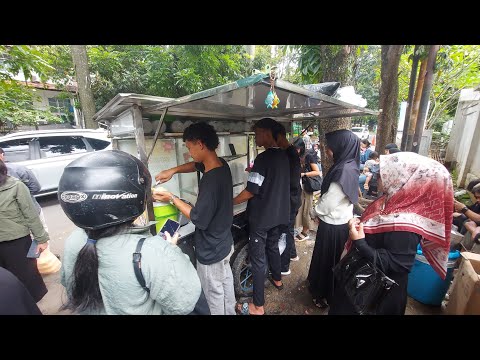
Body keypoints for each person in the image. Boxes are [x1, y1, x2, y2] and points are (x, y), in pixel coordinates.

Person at [58, 150, 202, 315]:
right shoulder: (152, 251)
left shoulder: (73, 240)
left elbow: (70, 287)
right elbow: (183, 304)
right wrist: (170, 249)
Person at [329, 152, 453, 315]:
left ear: (404, 179)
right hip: (362, 281)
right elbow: (376, 226)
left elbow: (399, 265)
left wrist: (359, 242)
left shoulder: (406, 223)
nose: (378, 177)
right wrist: (360, 223)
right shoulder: (392, 202)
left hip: (376, 295)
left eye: (384, 173)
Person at [153, 122, 235, 315]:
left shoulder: (211, 181)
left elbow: (199, 219)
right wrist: (172, 171)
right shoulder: (221, 164)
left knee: (213, 294)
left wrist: (171, 198)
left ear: (200, 144)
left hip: (211, 250)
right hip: (224, 242)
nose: (189, 152)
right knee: (226, 284)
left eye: (189, 147)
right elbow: (194, 165)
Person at [233, 118, 290, 315]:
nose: (256, 137)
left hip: (262, 218)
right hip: (278, 214)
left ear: (266, 133)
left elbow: (251, 191)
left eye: (257, 133)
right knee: (272, 246)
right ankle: (277, 279)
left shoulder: (263, 159)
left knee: (258, 260)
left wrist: (230, 201)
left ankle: (258, 306)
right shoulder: (283, 156)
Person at [307, 129, 360, 309]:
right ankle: (329, 292)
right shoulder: (350, 164)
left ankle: (322, 294)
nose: (327, 150)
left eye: (330, 147)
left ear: (340, 146)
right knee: (335, 261)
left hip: (332, 227)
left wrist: (314, 212)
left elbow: (328, 202)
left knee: (327, 262)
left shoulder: (343, 170)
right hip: (342, 222)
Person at [0, 160, 49, 303]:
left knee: (24, 279)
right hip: (14, 242)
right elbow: (30, 214)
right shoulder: (16, 185)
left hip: (17, 242)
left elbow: (30, 213)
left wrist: (41, 238)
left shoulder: (16, 186)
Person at [274, 123, 302, 275]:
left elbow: (291, 181)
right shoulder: (287, 152)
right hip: (292, 198)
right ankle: (293, 254)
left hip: (290, 201)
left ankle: (284, 267)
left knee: (285, 232)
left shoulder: (290, 154)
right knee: (288, 230)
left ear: (278, 137)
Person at [0, 147, 48, 231]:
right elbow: (35, 187)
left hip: (6, 222)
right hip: (29, 210)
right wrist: (22, 195)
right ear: (2, 156)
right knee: (40, 235)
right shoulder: (18, 169)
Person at [294, 138, 321, 242]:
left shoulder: (308, 156)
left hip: (307, 186)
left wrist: (303, 174)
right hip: (298, 186)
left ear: (301, 148)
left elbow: (317, 172)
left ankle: (305, 232)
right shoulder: (295, 156)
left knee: (306, 209)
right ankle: (300, 228)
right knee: (299, 208)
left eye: (296, 149)